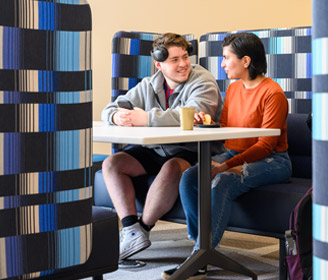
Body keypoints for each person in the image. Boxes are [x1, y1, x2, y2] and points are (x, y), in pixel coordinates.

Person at [162, 32, 292, 279]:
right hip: (236, 153)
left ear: (245, 61)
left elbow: (265, 145)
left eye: (225, 58)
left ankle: (199, 259)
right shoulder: (233, 89)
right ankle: (200, 247)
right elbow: (226, 127)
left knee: (223, 180)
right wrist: (205, 122)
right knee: (191, 176)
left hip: (273, 161)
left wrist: (225, 166)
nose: (222, 64)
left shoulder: (272, 93)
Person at [101, 33, 224, 260]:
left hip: (193, 151)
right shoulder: (149, 84)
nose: (183, 64)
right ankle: (130, 229)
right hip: (157, 149)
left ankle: (144, 228)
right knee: (112, 164)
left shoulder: (202, 80)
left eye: (185, 57)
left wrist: (146, 118)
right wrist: (117, 117)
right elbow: (110, 109)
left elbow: (198, 111)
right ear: (159, 64)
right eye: (174, 60)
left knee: (172, 167)